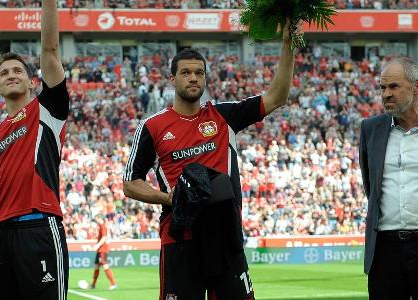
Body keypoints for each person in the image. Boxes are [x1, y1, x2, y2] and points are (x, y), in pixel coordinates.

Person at [123, 20, 303, 300]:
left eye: (198, 73)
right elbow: (130, 184)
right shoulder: (152, 126)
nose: (193, 78)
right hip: (181, 238)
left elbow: (278, 96)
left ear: (206, 78)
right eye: (185, 73)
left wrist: (287, 43)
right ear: (172, 79)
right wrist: (168, 198)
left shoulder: (223, 115)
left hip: (225, 236)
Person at [0, 0, 70, 299]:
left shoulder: (48, 109)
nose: (10, 74)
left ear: (33, 82)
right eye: (4, 72)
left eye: (17, 70)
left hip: (39, 228)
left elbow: (50, 51)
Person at [359, 56, 418, 299]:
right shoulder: (370, 129)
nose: (386, 94)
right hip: (385, 251)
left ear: (417, 87)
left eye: (394, 87)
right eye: (382, 88)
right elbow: (371, 187)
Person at [90, 214, 117, 290]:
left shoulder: (103, 226)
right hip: (100, 250)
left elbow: (104, 237)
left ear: (99, 218)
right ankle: (93, 285)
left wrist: (97, 246)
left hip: (103, 249)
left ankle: (113, 284)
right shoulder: (101, 226)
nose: (96, 220)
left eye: (96, 219)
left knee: (105, 266)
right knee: (97, 266)